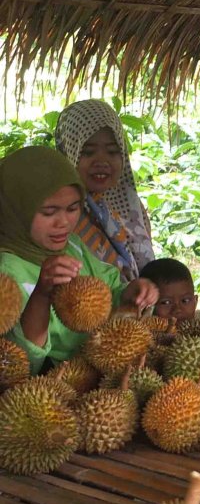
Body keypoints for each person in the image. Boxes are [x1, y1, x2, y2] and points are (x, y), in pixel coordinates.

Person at [0, 146, 158, 375]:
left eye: (73, 208)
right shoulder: (7, 270)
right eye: (48, 212)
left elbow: (107, 285)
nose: (63, 222)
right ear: (17, 210)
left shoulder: (72, 244)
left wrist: (130, 292)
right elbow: (18, 360)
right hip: (53, 381)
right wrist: (43, 293)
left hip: (102, 366)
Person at [55, 99, 154, 282]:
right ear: (69, 151)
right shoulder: (59, 211)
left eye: (112, 151)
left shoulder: (130, 206)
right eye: (88, 152)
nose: (102, 161)